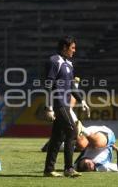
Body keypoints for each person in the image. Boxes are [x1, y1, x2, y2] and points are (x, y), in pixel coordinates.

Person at [43, 36, 90, 177]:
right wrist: (49, 107)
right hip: (58, 103)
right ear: (64, 47)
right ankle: (68, 168)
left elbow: (71, 87)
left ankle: (48, 170)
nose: (74, 51)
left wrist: (82, 101)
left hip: (65, 104)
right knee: (72, 131)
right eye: (72, 48)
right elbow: (48, 86)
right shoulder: (54, 61)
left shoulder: (69, 64)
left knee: (58, 137)